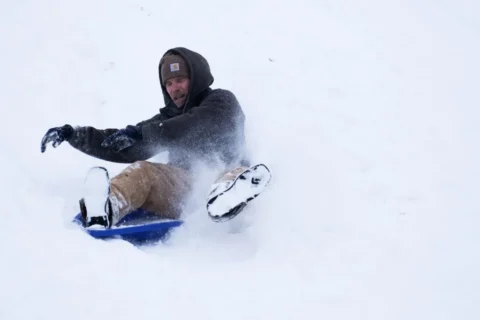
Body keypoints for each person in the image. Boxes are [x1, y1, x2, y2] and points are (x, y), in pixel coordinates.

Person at [40, 47, 271, 228]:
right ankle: (106, 208)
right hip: (184, 193)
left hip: (228, 177)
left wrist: (142, 132)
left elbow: (193, 123)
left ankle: (227, 200)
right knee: (143, 170)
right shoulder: (166, 118)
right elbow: (125, 143)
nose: (174, 88)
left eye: (180, 80)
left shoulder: (221, 101)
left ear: (195, 78)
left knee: (234, 175)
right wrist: (75, 134)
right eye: (168, 84)